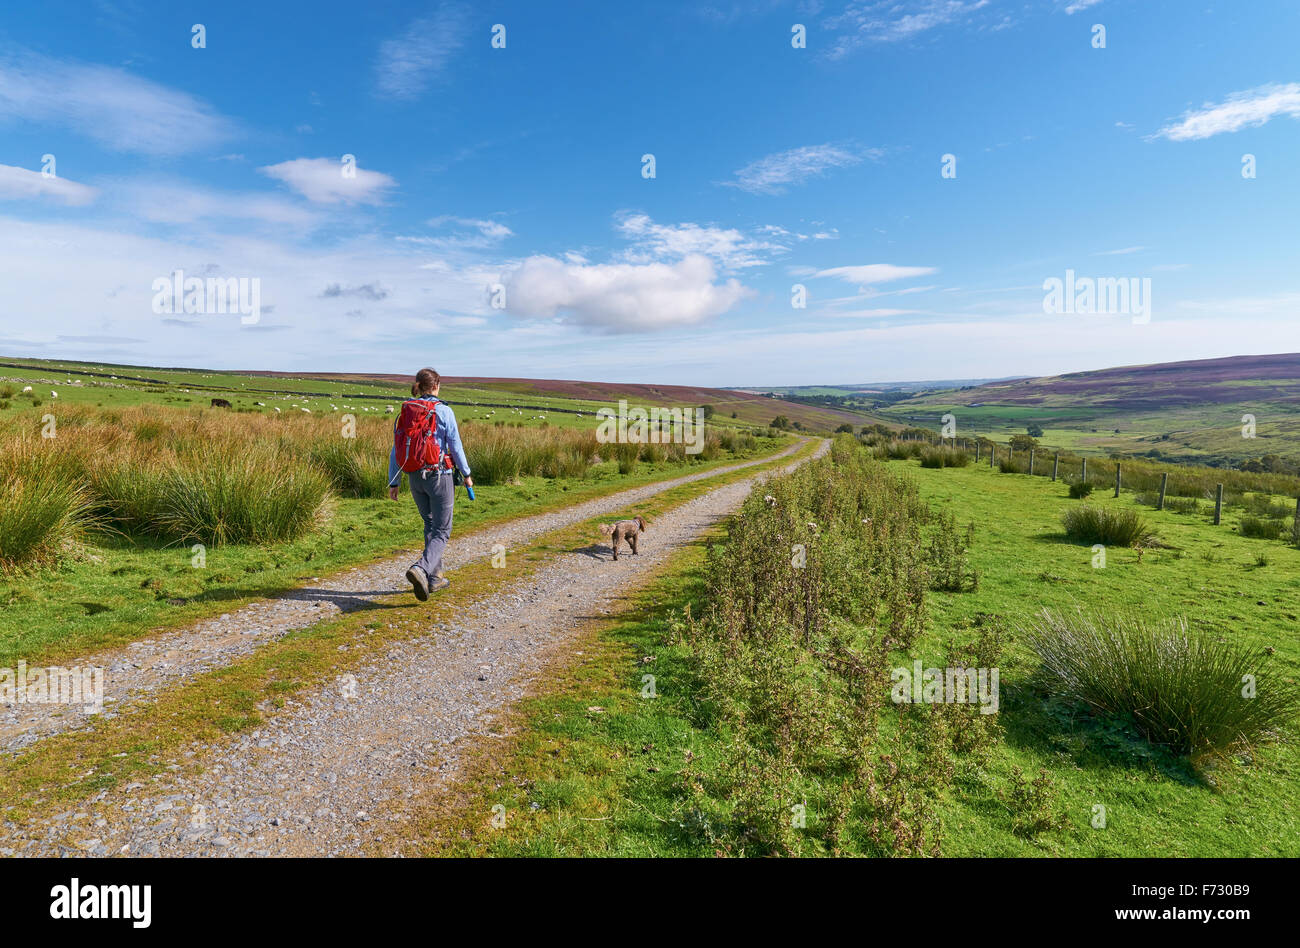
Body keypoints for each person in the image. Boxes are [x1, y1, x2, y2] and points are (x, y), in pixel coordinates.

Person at [387, 368, 473, 600]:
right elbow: (455, 446)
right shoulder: (444, 411)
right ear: (436, 386)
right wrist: (466, 473)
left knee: (430, 524)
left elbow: (396, 448)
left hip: (414, 477)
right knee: (442, 530)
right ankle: (421, 568)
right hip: (439, 475)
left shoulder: (407, 411)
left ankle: (434, 578)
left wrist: (393, 481)